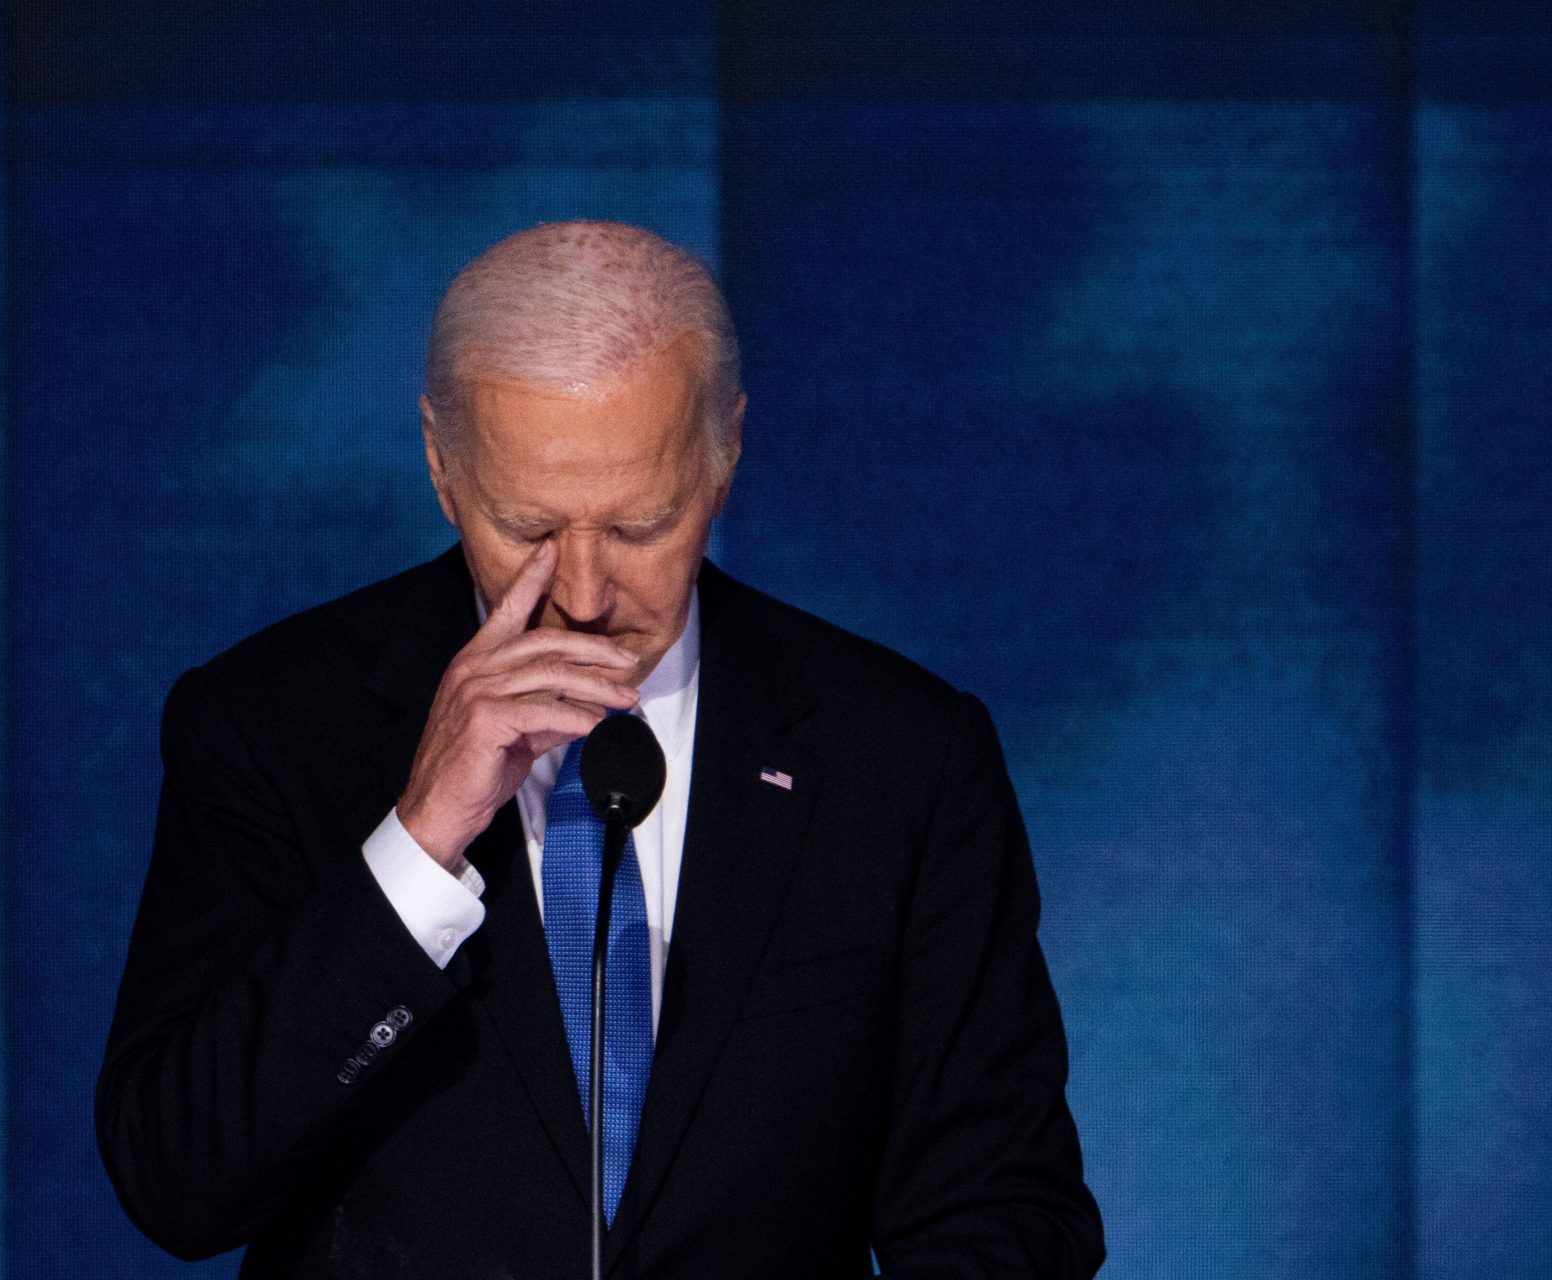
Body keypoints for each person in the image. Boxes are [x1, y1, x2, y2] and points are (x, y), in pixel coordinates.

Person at [96, 220, 1104, 1278]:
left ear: (726, 455)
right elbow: (177, 1179)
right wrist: (417, 840)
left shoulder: (901, 755)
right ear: (442, 467)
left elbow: (1000, 1206)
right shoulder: (270, 724)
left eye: (640, 525)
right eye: (528, 526)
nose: (581, 594)